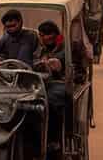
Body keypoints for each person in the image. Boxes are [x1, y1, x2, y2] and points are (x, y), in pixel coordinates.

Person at [37, 20, 68, 151]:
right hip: (39, 83)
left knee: (50, 103)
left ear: (55, 34)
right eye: (42, 35)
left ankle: (54, 139)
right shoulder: (39, 48)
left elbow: (63, 62)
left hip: (59, 82)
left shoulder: (64, 48)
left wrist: (56, 64)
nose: (45, 37)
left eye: (48, 34)